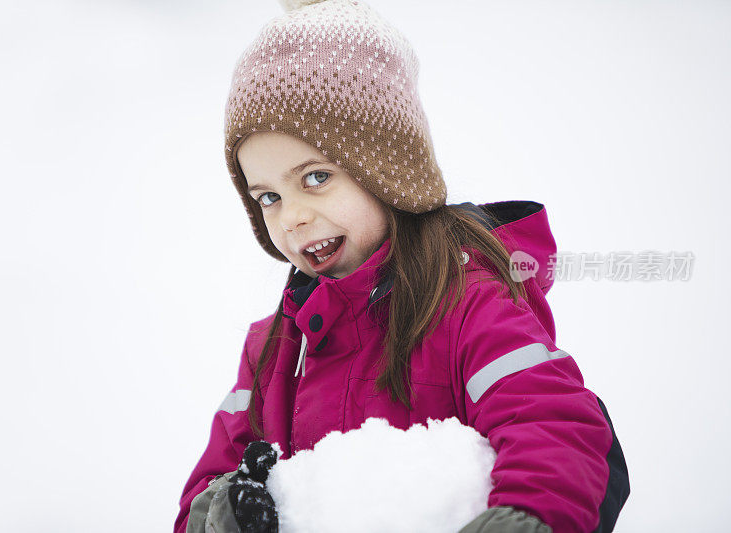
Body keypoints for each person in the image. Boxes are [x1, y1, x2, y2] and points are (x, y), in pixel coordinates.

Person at [175, 1, 630, 532]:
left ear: (389, 170)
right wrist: (222, 515)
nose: (293, 217)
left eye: (316, 177)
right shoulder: (274, 349)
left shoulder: (466, 305)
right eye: (268, 197)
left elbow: (549, 421)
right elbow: (201, 494)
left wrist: (525, 518)